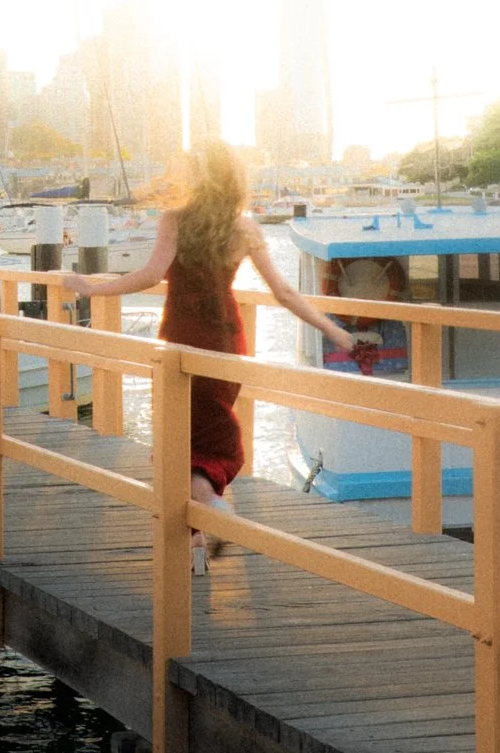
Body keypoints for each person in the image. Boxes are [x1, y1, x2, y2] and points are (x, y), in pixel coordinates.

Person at [61, 142, 364, 565]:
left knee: (180, 443)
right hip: (225, 342)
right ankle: (198, 543)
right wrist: (334, 331)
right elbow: (284, 292)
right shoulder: (245, 228)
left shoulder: (175, 220)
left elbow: (149, 275)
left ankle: (215, 517)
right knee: (202, 441)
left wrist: (92, 287)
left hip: (183, 338)